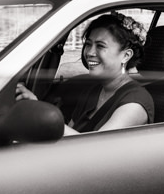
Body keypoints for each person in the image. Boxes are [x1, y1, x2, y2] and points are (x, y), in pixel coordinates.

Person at [16, 12, 154, 135]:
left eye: (100, 46)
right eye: (88, 44)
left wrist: (42, 114)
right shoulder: (94, 90)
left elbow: (94, 148)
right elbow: (71, 132)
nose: (89, 53)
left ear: (126, 56)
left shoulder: (135, 104)